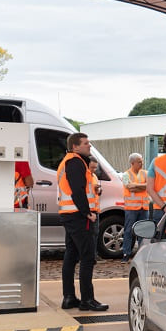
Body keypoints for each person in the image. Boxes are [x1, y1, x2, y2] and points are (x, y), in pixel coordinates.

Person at [57, 133, 108, 311]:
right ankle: (87, 299)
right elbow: (77, 189)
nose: (89, 146)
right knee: (87, 257)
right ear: (75, 146)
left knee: (71, 256)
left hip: (70, 214)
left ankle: (69, 297)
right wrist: (87, 213)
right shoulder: (75, 162)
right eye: (86, 143)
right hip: (78, 216)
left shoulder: (70, 161)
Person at [121, 153, 147, 263]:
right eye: (139, 162)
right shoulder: (126, 174)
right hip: (131, 208)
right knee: (128, 231)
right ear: (132, 163)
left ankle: (142, 253)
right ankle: (126, 253)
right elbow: (129, 187)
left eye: (142, 161)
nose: (142, 163)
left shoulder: (145, 173)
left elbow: (149, 185)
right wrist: (142, 186)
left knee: (143, 231)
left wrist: (136, 186)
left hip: (143, 207)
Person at [88, 156, 102, 258]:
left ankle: (93, 254)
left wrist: (99, 190)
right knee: (90, 234)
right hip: (88, 210)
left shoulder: (94, 177)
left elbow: (97, 193)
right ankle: (90, 255)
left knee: (95, 233)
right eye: (92, 167)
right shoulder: (85, 176)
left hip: (95, 209)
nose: (94, 170)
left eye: (95, 168)